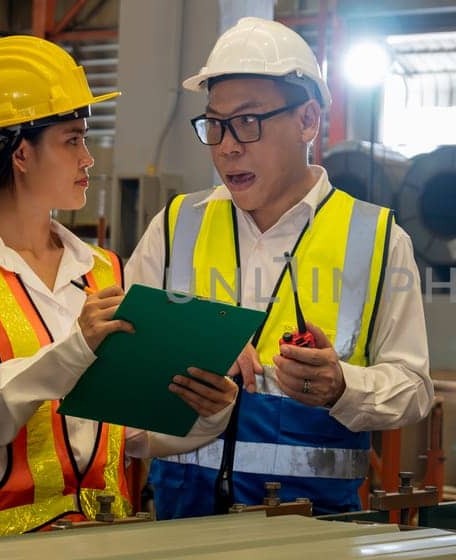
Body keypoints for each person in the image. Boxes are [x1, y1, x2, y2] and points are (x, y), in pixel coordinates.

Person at [0, 35, 238, 539]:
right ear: (21, 153)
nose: (88, 158)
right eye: (72, 140)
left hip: (101, 537)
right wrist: (73, 352)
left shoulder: (102, 269)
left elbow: (126, 430)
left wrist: (207, 413)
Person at [130, 17, 432, 519]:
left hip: (312, 530)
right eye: (215, 124)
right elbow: (123, 361)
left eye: (248, 122)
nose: (227, 145)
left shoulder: (377, 240)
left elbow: (413, 389)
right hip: (181, 525)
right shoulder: (176, 224)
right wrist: (191, 355)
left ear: (308, 121)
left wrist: (343, 386)